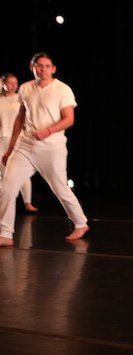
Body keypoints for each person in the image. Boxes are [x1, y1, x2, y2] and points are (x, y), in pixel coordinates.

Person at [0, 54, 90, 247]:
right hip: (25, 146)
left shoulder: (62, 89)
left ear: (53, 69)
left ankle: (81, 223)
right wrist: (10, 148)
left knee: (60, 188)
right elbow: (19, 119)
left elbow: (69, 119)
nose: (43, 69)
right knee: (7, 186)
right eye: (39, 66)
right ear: (32, 67)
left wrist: (48, 131)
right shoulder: (25, 88)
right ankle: (5, 233)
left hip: (51, 147)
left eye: (47, 66)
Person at [0, 74, 37, 214]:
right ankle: (6, 203)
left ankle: (28, 202)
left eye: (15, 83)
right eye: (9, 83)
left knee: (22, 171)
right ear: (3, 84)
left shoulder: (19, 99)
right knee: (5, 173)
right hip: (2, 137)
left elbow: (25, 117)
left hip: (18, 138)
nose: (13, 85)